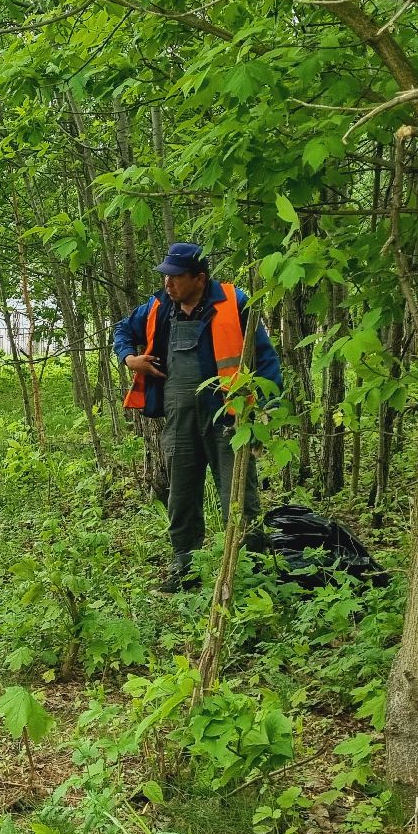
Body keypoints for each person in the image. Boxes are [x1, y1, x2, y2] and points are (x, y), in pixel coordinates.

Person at [114, 242, 283, 588]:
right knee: (181, 494)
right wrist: (130, 359)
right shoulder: (159, 308)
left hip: (229, 419)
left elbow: (265, 359)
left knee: (238, 496)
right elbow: (122, 331)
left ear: (200, 278)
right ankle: (184, 566)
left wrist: (268, 406)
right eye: (165, 276)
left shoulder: (235, 303)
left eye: (176, 277)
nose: (168, 283)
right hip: (179, 420)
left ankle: (250, 568)